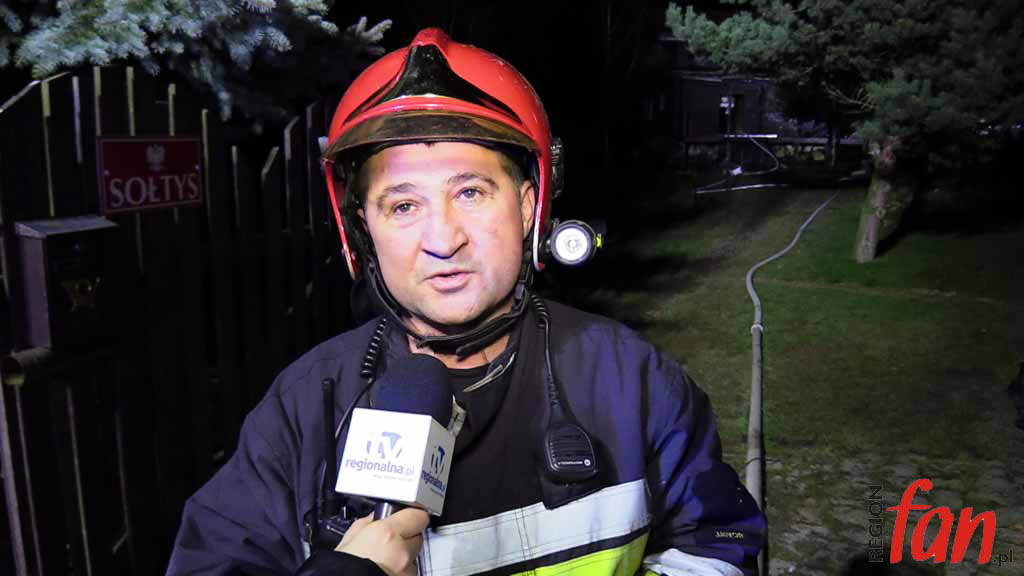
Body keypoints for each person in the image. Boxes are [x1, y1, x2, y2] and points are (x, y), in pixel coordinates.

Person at [167, 28, 765, 576]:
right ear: (362, 230)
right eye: (404, 205)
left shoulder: (635, 381)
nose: (443, 239)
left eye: (471, 193)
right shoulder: (302, 411)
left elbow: (717, 546)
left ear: (528, 207)